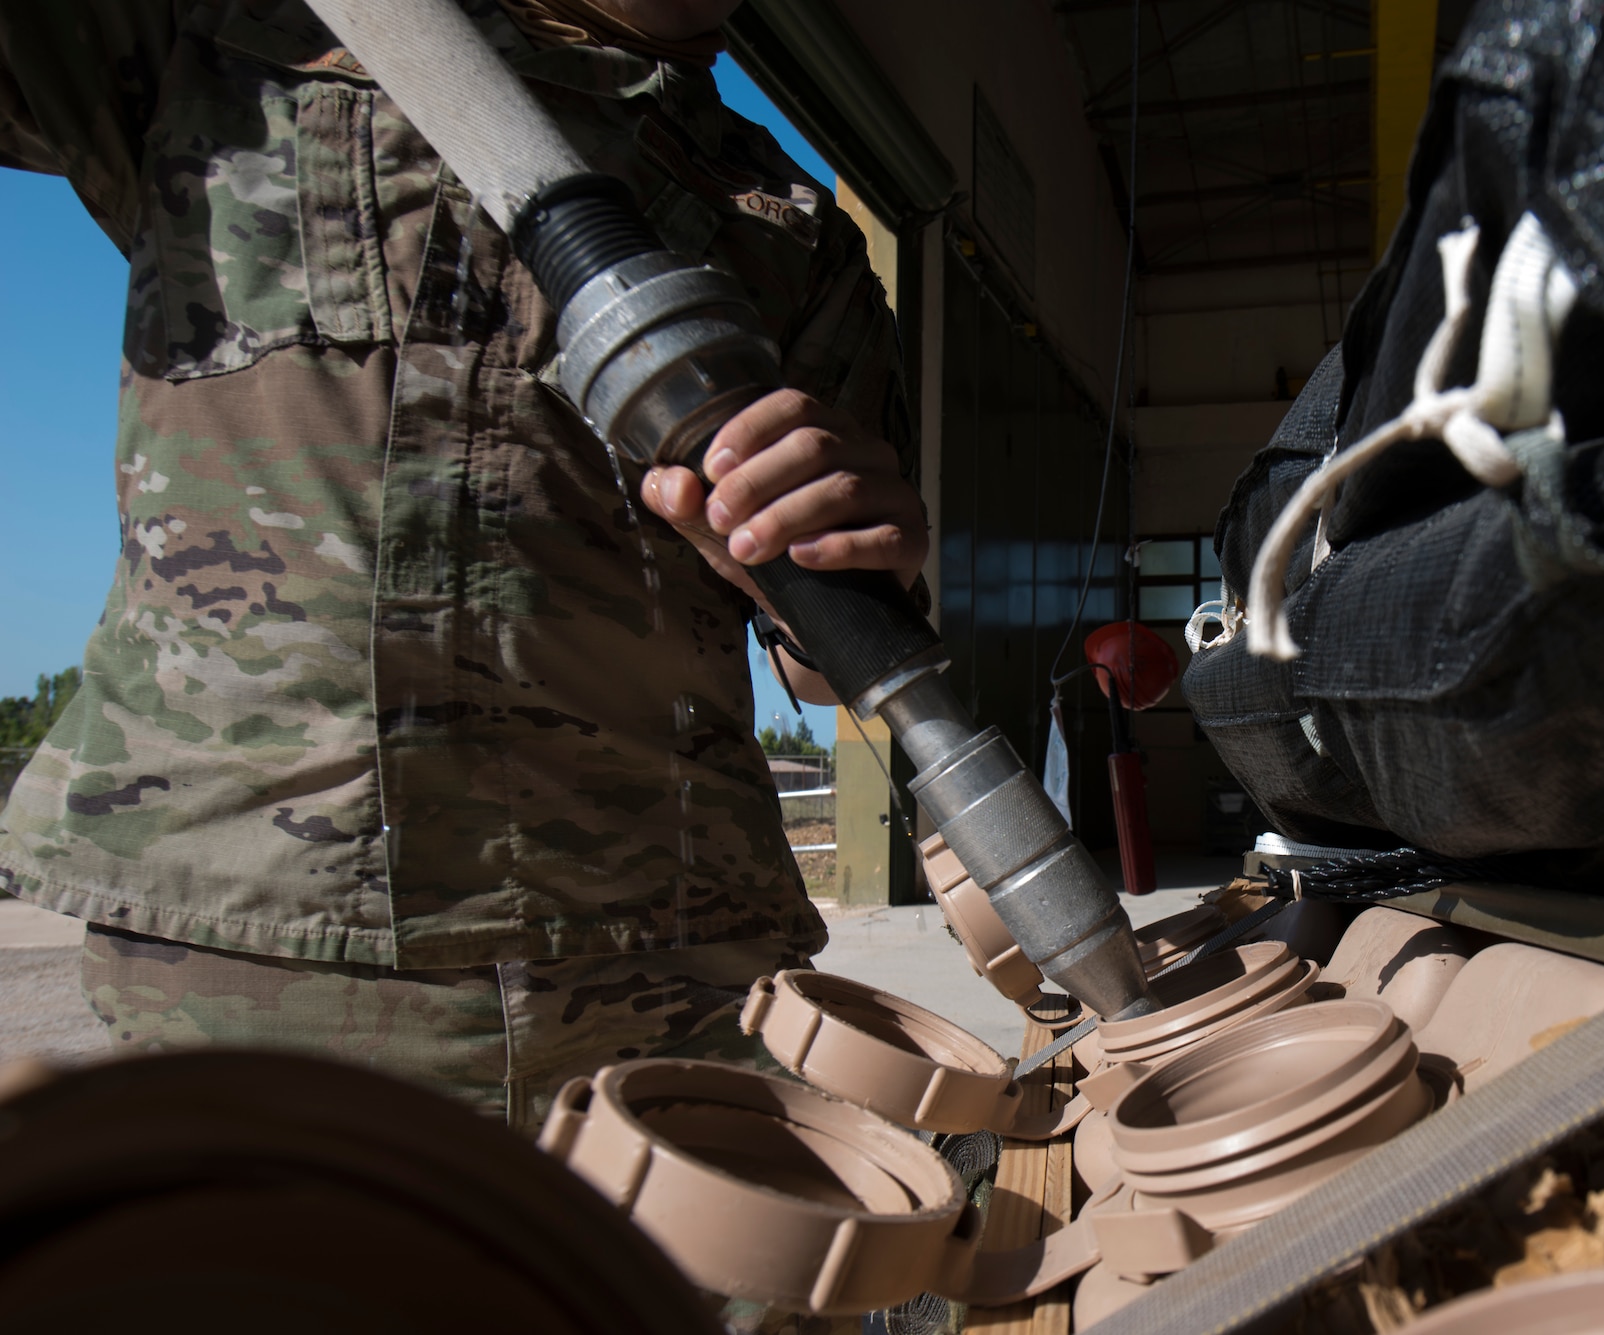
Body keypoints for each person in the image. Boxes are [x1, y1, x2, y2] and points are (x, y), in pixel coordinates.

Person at [0, 0, 925, 1129]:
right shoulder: (233, 40)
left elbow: (826, 675)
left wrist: (837, 572)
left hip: (680, 954)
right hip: (273, 950)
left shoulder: (791, 231)